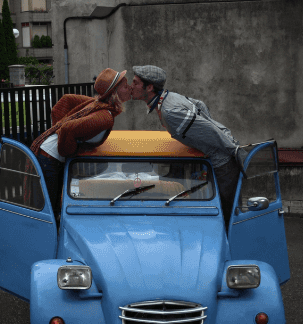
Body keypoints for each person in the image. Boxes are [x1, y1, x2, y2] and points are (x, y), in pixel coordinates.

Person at [127, 64, 242, 221]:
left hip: (222, 165)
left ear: (149, 87)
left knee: (227, 219)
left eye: (135, 82)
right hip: (217, 161)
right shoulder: (169, 97)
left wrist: (233, 149)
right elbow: (200, 104)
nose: (131, 86)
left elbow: (209, 130)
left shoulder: (170, 112)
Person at [29, 68, 131, 215]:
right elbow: (67, 129)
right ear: (114, 92)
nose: (129, 88)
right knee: (47, 213)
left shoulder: (97, 103)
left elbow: (66, 100)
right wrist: (70, 151)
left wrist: (58, 130)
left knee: (52, 209)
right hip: (49, 159)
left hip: (48, 155)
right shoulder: (105, 116)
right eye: (125, 86)